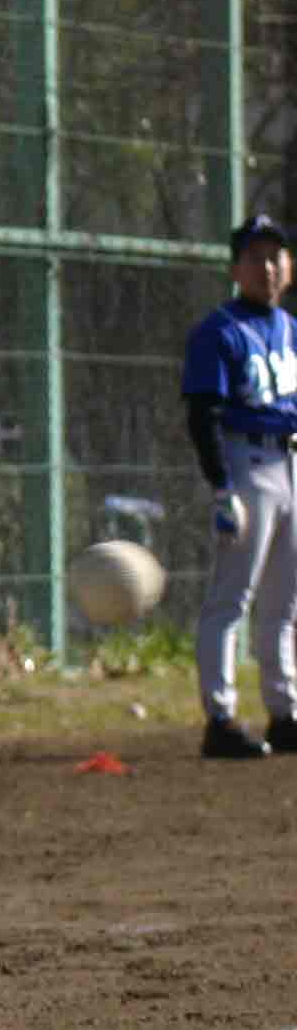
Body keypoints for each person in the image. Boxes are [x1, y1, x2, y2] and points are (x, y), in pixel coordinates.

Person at [187, 212, 297, 760]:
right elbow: (203, 412)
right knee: (233, 597)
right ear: (235, 268)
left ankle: (285, 713)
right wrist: (220, 486)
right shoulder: (219, 331)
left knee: (285, 602)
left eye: (276, 255)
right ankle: (221, 718)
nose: (268, 266)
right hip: (246, 462)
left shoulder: (291, 330)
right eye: (255, 256)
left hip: (290, 464)